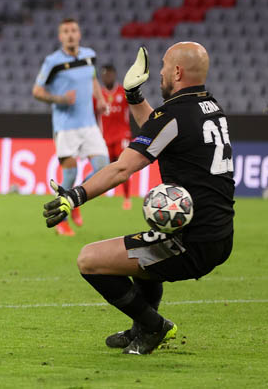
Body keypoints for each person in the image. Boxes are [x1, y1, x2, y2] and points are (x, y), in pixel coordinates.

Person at [43, 42, 235, 355]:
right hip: (218, 233)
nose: (158, 73)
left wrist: (75, 196)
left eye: (162, 67)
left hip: (191, 240)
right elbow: (162, 131)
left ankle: (153, 326)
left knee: (89, 260)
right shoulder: (211, 108)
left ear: (176, 72)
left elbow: (122, 168)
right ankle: (140, 327)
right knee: (141, 250)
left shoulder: (173, 114)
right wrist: (135, 97)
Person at [32, 18, 109, 236]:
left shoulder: (89, 55)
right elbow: (37, 91)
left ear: (80, 34)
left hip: (89, 125)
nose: (70, 34)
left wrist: (100, 99)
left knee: (104, 168)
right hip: (66, 126)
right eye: (66, 31)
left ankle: (75, 199)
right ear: (60, 37)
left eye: (74, 30)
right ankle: (61, 222)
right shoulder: (52, 62)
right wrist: (60, 99)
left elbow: (93, 79)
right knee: (69, 174)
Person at [98, 64, 133, 210]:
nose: (107, 77)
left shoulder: (123, 92)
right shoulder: (98, 95)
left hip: (122, 136)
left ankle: (127, 198)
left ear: (114, 75)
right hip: (105, 137)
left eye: (110, 74)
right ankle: (100, 192)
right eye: (105, 75)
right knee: (105, 167)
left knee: (123, 166)